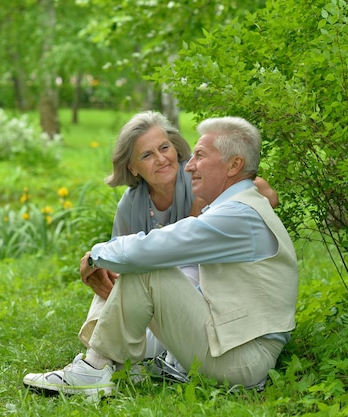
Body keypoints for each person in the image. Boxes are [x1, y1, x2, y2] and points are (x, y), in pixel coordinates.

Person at [23, 116, 298, 397]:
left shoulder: (238, 214)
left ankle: (95, 367)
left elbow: (152, 250)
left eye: (199, 156)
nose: (188, 165)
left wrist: (96, 253)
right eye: (147, 154)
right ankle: (111, 363)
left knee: (148, 266)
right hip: (235, 347)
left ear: (234, 165)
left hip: (244, 359)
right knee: (137, 265)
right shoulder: (229, 207)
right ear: (133, 167)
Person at [80, 111, 278, 363]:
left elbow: (260, 190)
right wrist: (96, 262)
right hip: (157, 289)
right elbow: (120, 258)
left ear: (175, 148)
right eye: (147, 155)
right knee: (118, 276)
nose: (161, 159)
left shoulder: (198, 176)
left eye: (164, 148)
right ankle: (98, 354)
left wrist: (207, 212)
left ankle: (107, 358)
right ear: (133, 167)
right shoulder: (131, 203)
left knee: (149, 271)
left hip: (204, 283)